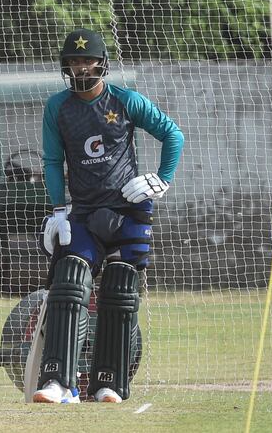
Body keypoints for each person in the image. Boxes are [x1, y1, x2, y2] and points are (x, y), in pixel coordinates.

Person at [29, 28, 184, 404]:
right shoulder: (58, 107)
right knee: (69, 281)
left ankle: (108, 383)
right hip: (82, 210)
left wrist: (161, 180)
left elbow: (172, 134)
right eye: (74, 61)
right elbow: (53, 160)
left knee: (120, 288)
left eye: (87, 60)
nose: (81, 67)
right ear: (66, 66)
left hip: (128, 208)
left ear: (102, 63)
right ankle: (59, 383)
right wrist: (57, 210)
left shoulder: (126, 101)